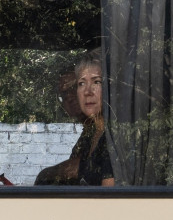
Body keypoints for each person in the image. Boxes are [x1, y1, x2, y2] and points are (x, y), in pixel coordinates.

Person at [35, 53, 114, 186]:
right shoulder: (90, 133)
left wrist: (45, 175)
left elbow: (110, 200)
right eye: (81, 84)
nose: (87, 92)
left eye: (97, 82)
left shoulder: (114, 136)